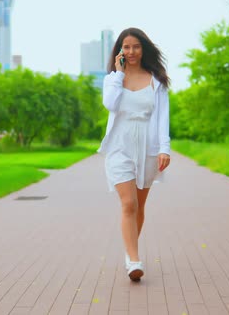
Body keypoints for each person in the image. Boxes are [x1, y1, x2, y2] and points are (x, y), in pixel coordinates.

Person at [97, 27, 171, 282]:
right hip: (120, 146)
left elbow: (162, 117)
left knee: (139, 206)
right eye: (126, 47)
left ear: (143, 49)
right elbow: (111, 104)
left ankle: (130, 255)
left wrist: (165, 148)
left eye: (135, 46)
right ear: (120, 51)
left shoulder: (157, 80)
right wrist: (119, 74)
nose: (131, 52)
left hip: (148, 148)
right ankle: (135, 260)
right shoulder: (111, 79)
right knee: (128, 203)